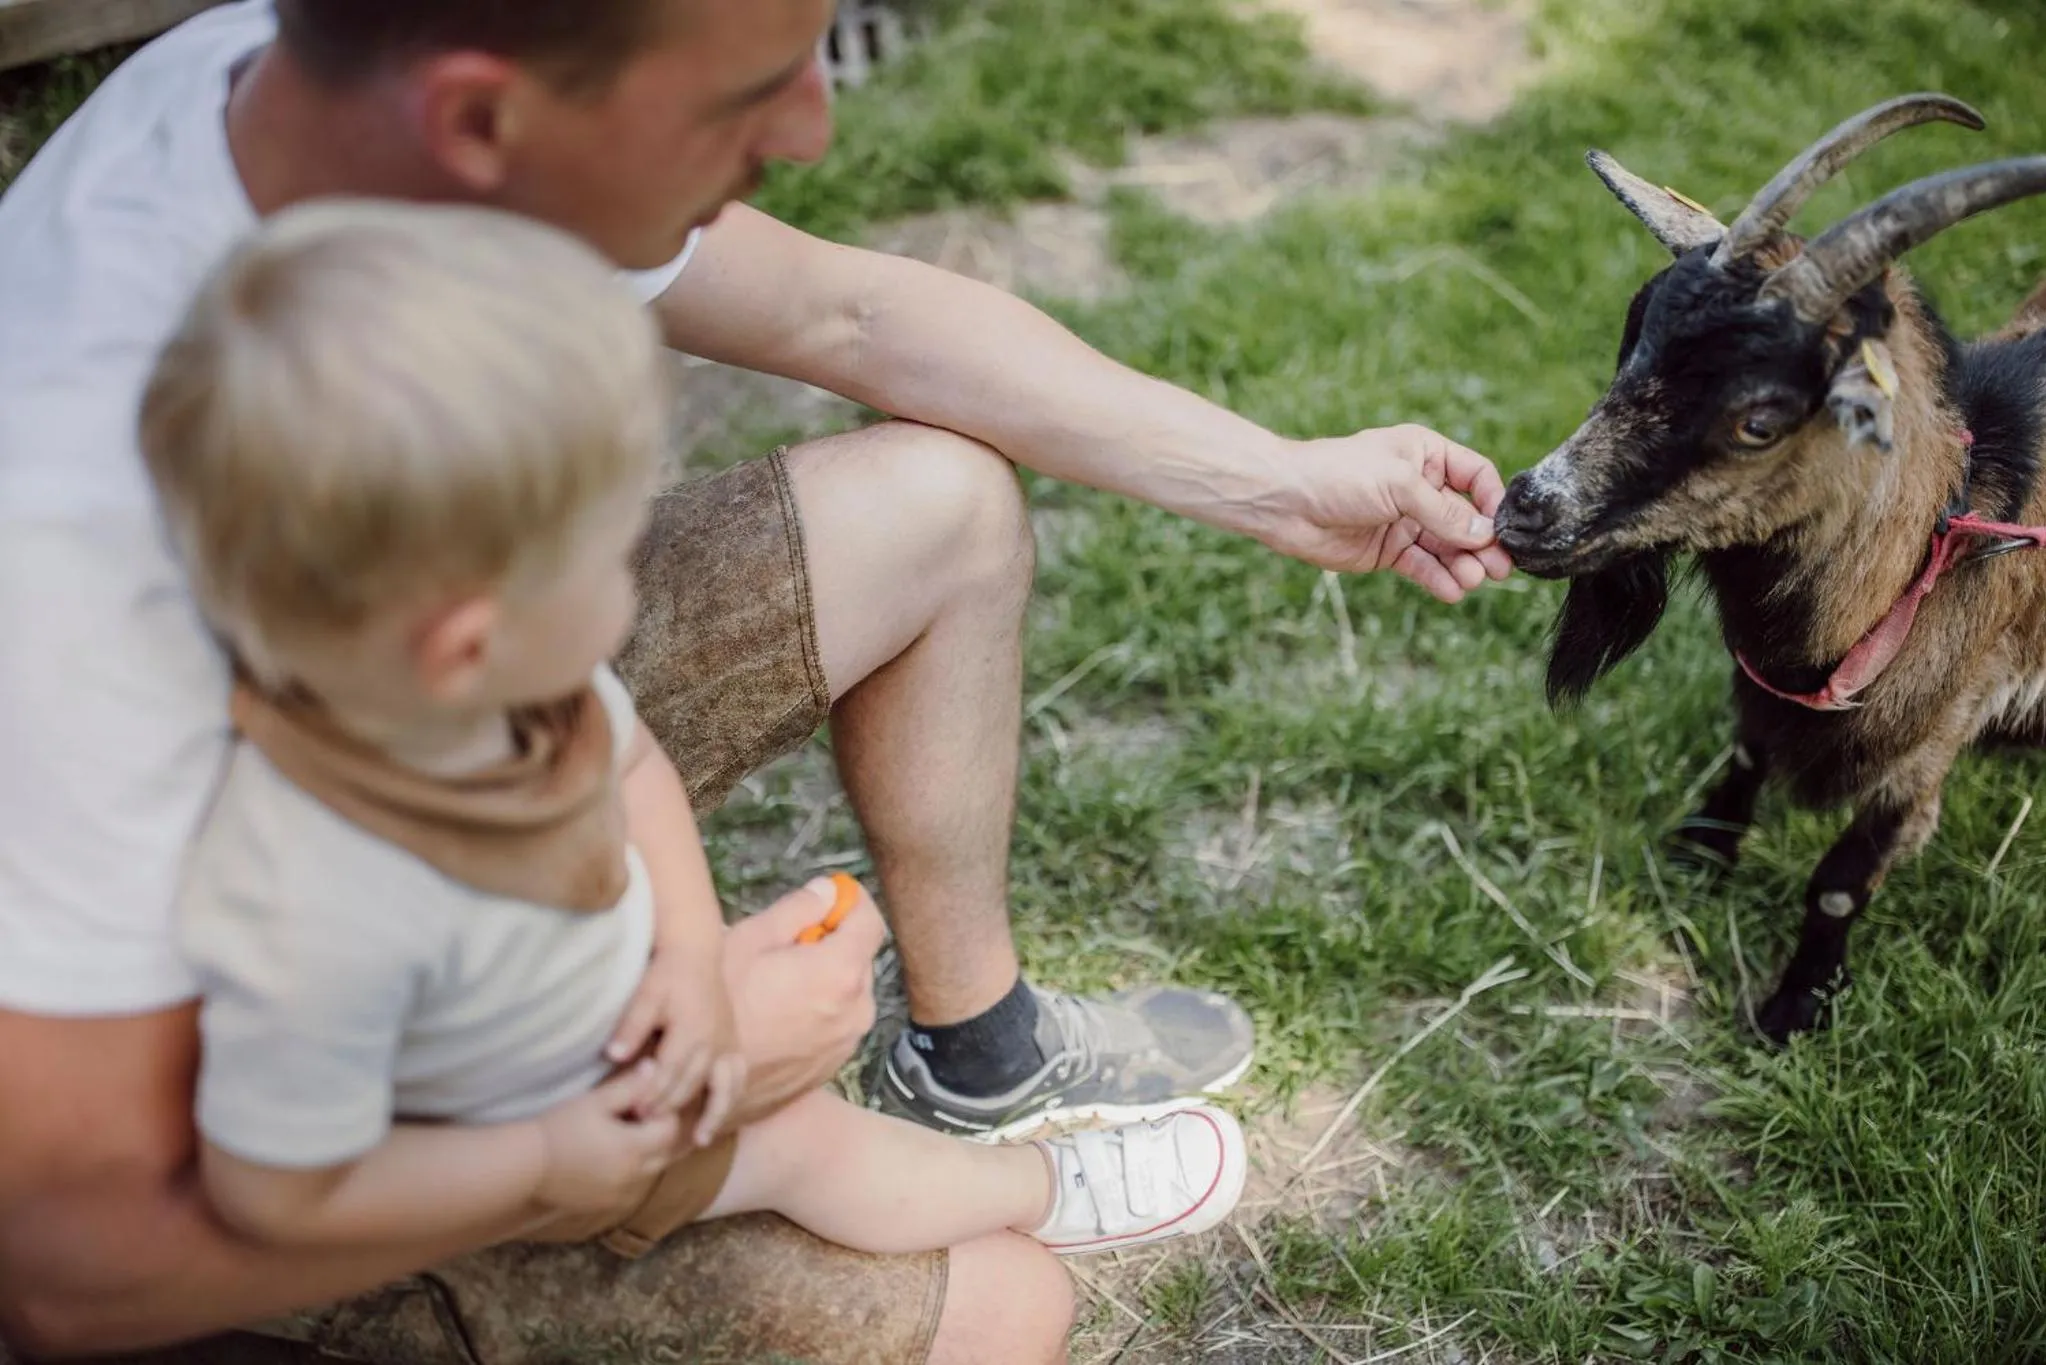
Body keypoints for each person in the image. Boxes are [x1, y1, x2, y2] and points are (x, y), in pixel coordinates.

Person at [0, 1, 1509, 1361]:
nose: (813, 126)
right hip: (250, 1106)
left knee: (941, 505)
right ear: (478, 117)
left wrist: (1281, 482)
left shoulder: (326, 99)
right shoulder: (76, 555)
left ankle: (982, 1059)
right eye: (751, 89)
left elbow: (846, 317)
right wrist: (615, 1110)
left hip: (411, 705)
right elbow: (64, 1270)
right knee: (1003, 1313)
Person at [147, 197, 1248, 1274]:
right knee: (820, 1155)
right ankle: (1045, 1190)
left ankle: (980, 1096)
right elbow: (279, 1194)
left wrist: (684, 954)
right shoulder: (296, 899)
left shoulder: (519, 687)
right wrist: (557, 1151)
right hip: (538, 1146)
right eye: (594, 560)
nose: (630, 592)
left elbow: (628, 765)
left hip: (599, 1027)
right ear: (456, 629)